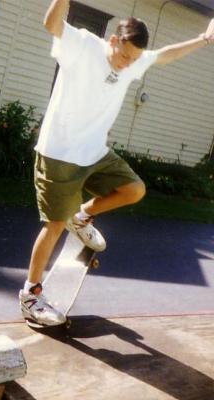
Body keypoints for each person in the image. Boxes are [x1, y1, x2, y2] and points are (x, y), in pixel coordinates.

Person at [19, 0, 214, 327]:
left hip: (94, 152)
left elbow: (164, 54)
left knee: (134, 189)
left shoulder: (134, 61)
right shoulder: (82, 45)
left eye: (133, 60)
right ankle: (30, 295)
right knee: (53, 225)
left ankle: (81, 217)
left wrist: (204, 39)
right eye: (123, 55)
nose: (126, 65)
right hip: (59, 153)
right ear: (112, 40)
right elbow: (51, 24)